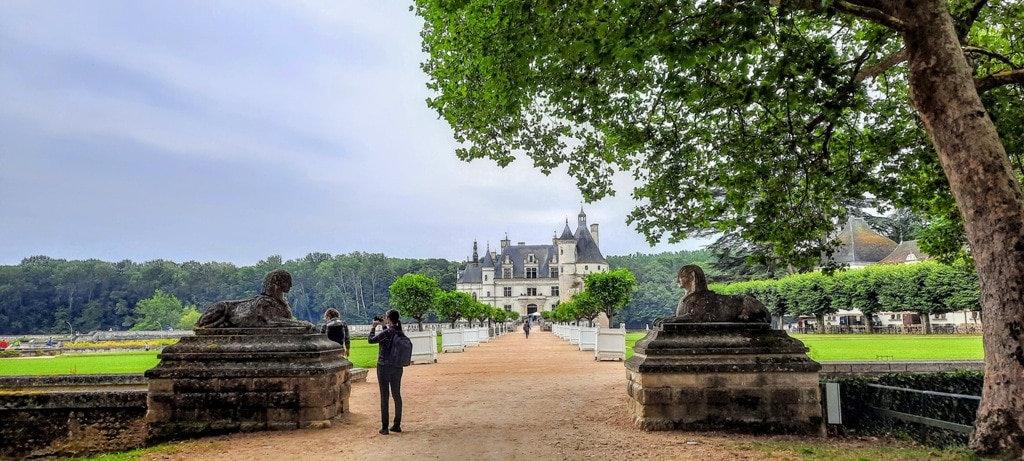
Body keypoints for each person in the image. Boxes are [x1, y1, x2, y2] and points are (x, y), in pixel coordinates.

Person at [368, 309, 405, 435]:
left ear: (388, 318)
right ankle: (397, 424)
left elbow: (371, 340)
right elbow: (389, 336)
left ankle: (384, 427)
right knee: (396, 394)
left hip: (384, 366)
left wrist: (373, 327)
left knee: (385, 396)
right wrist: (384, 325)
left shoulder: (388, 332)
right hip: (397, 366)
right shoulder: (400, 331)